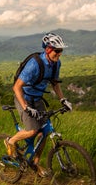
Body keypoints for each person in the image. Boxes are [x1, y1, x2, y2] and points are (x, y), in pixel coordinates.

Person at [5, 32, 73, 177]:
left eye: (61, 51)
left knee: (44, 131)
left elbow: (55, 84)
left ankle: (35, 163)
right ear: (48, 49)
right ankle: (10, 141)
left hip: (37, 99)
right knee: (32, 131)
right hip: (23, 98)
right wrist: (26, 107)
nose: (59, 54)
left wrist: (63, 100)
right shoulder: (34, 64)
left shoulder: (56, 64)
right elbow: (16, 87)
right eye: (57, 50)